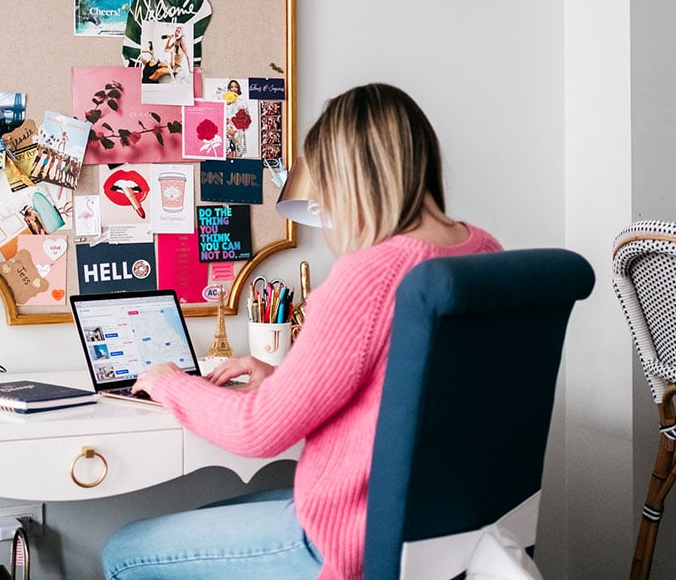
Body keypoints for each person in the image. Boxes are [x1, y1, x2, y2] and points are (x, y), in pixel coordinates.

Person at [100, 83, 503, 580]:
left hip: (354, 537)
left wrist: (168, 382)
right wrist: (281, 377)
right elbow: (405, 387)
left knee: (126, 551)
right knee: (207, 519)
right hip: (445, 525)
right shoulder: (482, 251)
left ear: (346, 179)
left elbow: (257, 430)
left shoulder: (372, 275)